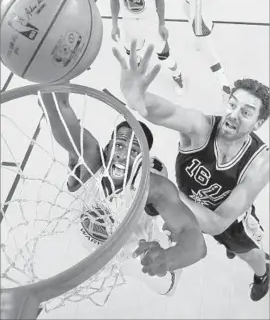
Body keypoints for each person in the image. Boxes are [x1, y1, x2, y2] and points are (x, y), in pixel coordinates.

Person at [113, 40, 270, 302]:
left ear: (259, 123)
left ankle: (263, 273)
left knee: (246, 252)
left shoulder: (260, 164)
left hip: (229, 221)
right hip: (190, 206)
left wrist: (170, 195)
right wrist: (139, 99)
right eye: (232, 105)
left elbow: (218, 222)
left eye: (246, 112)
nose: (233, 115)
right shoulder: (201, 127)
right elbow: (169, 112)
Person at [39, 91, 206, 295]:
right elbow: (65, 121)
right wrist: (50, 90)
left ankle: (166, 234)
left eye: (134, 151)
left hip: (136, 255)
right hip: (94, 247)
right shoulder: (92, 162)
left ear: (143, 161)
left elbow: (197, 242)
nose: (122, 153)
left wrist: (169, 259)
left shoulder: (153, 187)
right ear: (108, 148)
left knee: (166, 288)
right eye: (119, 145)